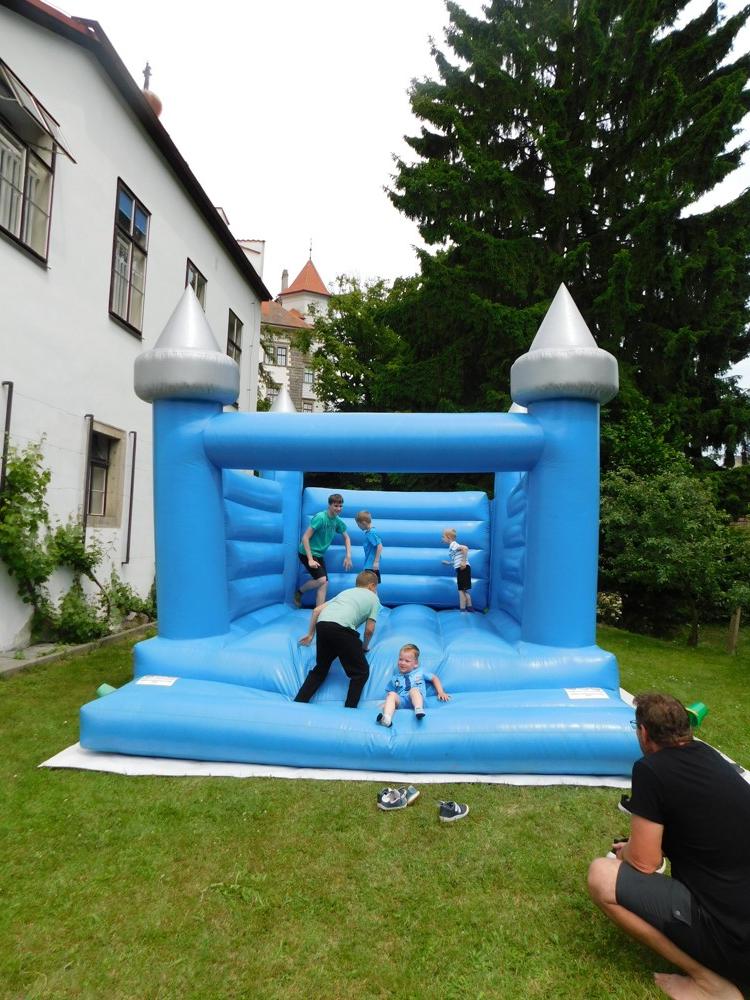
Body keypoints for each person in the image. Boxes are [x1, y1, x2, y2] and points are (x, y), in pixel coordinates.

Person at [587, 692, 750, 1000]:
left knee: (600, 875)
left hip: (735, 942)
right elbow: (696, 825)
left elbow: (645, 863)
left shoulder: (650, 769)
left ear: (643, 732)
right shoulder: (708, 756)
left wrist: (627, 852)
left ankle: (710, 984)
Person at [294, 569, 381, 708]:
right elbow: (369, 630)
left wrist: (310, 635)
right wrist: (364, 647)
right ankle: (349, 710)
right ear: (372, 586)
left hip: (322, 625)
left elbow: (316, 610)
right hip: (342, 630)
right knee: (361, 672)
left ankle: (298, 702)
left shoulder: (345, 592)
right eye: (376, 587)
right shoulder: (374, 598)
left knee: (320, 669)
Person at [296, 493, 353, 608]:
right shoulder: (321, 518)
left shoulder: (337, 521)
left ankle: (318, 611)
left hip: (318, 554)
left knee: (324, 583)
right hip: (306, 553)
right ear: (329, 505)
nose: (338, 508)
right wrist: (310, 559)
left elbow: (346, 538)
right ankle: (299, 592)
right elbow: (305, 538)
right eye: (336, 506)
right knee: (322, 580)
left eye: (340, 506)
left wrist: (348, 556)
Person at [376, 643, 450, 727]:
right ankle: (387, 718)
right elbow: (390, 693)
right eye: (400, 659)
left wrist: (441, 692)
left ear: (415, 664)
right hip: (402, 701)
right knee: (391, 694)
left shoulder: (420, 672)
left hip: (418, 699)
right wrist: (388, 702)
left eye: (407, 661)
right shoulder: (395, 678)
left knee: (414, 690)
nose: (402, 663)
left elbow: (434, 678)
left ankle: (418, 709)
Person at [441, 528, 475, 611]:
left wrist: (463, 561)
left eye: (443, 537)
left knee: (461, 591)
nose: (442, 539)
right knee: (464, 590)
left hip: (462, 569)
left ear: (448, 537)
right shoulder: (452, 547)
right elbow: (456, 559)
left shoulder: (453, 544)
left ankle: (462, 609)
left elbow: (465, 548)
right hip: (463, 569)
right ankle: (470, 608)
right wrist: (448, 563)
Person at [355, 509, 383, 582]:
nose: (358, 526)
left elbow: (379, 546)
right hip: (369, 564)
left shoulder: (371, 533)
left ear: (363, 523)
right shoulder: (370, 532)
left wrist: (376, 562)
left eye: (358, 524)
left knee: (369, 584)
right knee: (370, 584)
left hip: (371, 565)